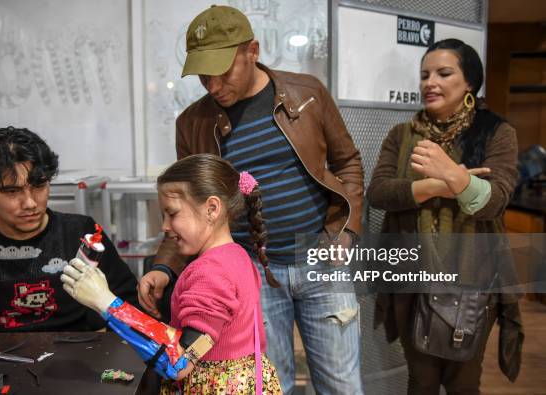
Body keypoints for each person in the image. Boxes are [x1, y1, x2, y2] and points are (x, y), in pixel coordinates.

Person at [138, 5, 365, 394]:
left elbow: (349, 163)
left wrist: (345, 234)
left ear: (253, 51)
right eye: (203, 74)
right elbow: (187, 207)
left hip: (321, 259)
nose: (212, 84)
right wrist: (164, 266)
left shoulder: (306, 93)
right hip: (250, 274)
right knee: (268, 384)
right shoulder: (192, 123)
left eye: (223, 71)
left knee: (341, 385)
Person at [367, 39, 523, 394]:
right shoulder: (401, 135)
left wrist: (453, 174)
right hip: (412, 277)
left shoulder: (496, 133)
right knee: (419, 379)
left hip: (472, 278)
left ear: (469, 82)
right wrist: (440, 185)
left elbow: (494, 202)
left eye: (443, 73)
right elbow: (379, 193)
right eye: (424, 75)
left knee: (463, 380)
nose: (429, 82)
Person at [62, 154, 282, 394]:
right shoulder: (237, 255)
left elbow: (178, 362)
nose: (164, 226)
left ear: (212, 208)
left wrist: (104, 301)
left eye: (172, 213)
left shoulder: (210, 272)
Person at [0, 126, 138, 332]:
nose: (30, 203)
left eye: (39, 186)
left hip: (78, 354)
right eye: (12, 191)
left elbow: (128, 304)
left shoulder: (82, 233)